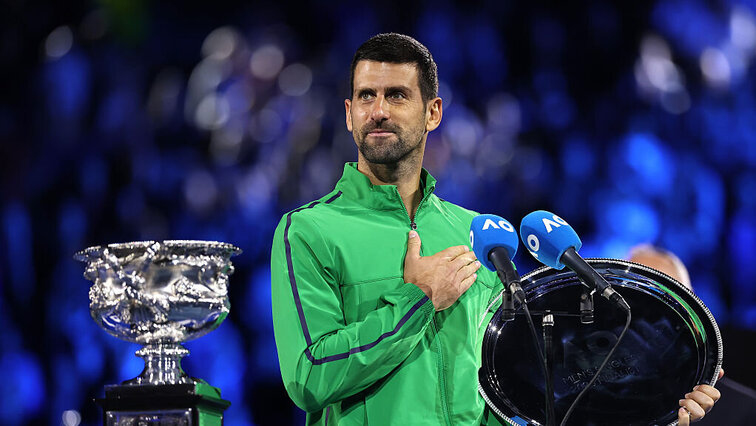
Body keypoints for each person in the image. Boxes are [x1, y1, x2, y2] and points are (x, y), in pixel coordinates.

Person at [271, 32, 719, 425]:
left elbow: (513, 397)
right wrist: (419, 299)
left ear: (433, 113)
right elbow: (310, 376)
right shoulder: (309, 231)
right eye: (366, 96)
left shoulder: (480, 234)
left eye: (397, 95)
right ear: (349, 113)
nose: (379, 111)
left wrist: (652, 402)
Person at [630, 244, 755, 425]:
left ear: (693, 306)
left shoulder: (743, 411)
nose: (651, 313)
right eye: (635, 298)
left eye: (667, 299)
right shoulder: (592, 401)